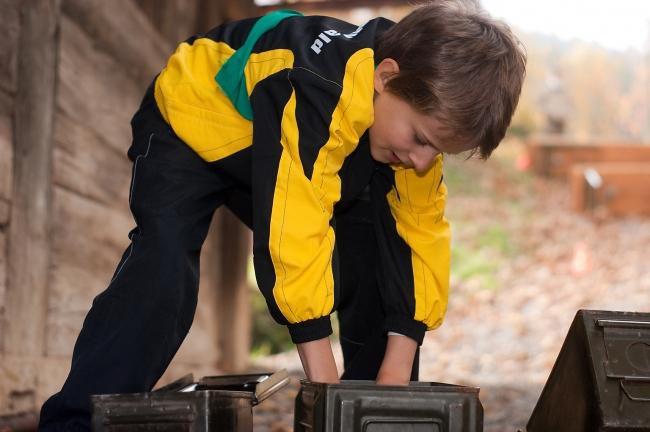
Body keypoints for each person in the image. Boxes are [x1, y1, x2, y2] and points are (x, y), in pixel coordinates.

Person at [39, 1, 526, 429]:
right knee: (163, 260)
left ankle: (376, 420)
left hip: (297, 153)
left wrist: (393, 378)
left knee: (378, 247)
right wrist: (324, 390)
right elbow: (294, 222)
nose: (423, 160)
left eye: (437, 152)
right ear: (386, 77)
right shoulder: (317, 82)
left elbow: (419, 240)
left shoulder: (407, 124)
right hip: (196, 127)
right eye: (421, 140)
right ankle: (77, 419)